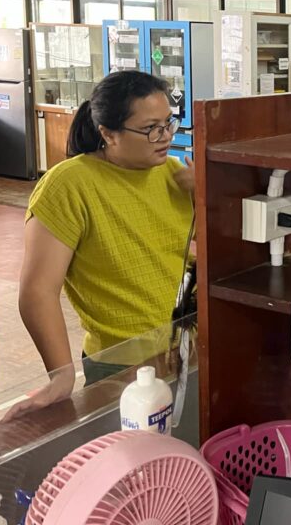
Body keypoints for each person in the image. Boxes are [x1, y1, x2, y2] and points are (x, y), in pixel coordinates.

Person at [17, 71, 194, 409]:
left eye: (168, 124)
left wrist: (213, 195)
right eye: (151, 128)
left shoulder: (175, 174)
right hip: (121, 364)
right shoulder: (69, 184)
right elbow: (38, 292)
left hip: (185, 349)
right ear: (108, 133)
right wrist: (61, 376)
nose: (165, 137)